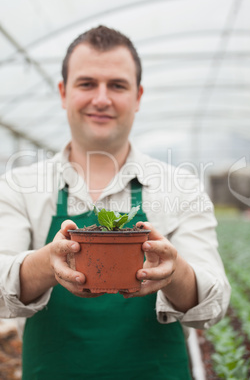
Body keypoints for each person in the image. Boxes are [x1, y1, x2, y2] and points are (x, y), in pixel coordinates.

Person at [0, 25, 231, 379]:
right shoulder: (19, 185)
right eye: (87, 83)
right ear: (63, 93)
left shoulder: (180, 187)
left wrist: (175, 272)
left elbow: (212, 306)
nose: (102, 99)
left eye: (117, 85)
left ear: (138, 97)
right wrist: (47, 264)